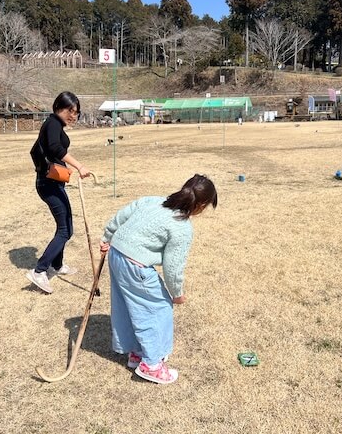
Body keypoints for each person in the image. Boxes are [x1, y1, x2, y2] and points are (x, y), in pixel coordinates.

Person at [99, 174, 218, 384]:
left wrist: (108, 237)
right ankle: (151, 364)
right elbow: (173, 268)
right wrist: (176, 294)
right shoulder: (182, 227)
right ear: (201, 204)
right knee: (157, 308)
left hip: (116, 254)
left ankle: (136, 352)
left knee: (129, 305)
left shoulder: (153, 200)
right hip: (134, 265)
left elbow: (120, 217)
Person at [27, 91, 91, 294]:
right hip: (48, 184)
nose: (73, 116)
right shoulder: (53, 122)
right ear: (58, 108)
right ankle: (39, 271)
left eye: (76, 112)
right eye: (69, 111)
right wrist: (79, 166)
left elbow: (53, 151)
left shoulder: (55, 124)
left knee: (66, 227)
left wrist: (64, 167)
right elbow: (54, 147)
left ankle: (57, 265)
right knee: (65, 229)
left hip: (53, 182)